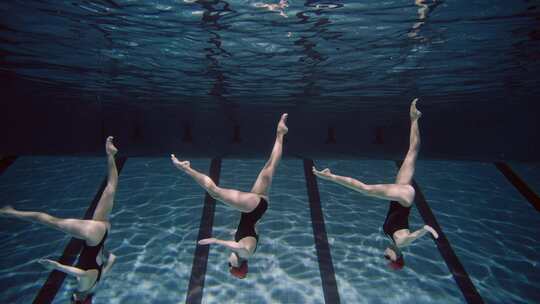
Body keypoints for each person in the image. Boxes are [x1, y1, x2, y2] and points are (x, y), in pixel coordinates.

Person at [312, 99, 439, 270]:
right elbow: (410, 238)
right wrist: (425, 230)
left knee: (412, 152)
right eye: (388, 257)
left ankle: (414, 119)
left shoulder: (392, 240)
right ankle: (330, 176)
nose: (385, 254)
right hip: (403, 198)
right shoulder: (400, 243)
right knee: (366, 189)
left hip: (402, 196)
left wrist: (424, 231)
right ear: (397, 256)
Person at [0, 136, 119, 302]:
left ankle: (110, 154)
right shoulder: (83, 288)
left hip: (103, 233)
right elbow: (82, 273)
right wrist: (57, 266)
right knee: (49, 221)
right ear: (78, 300)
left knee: (110, 189)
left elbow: (112, 259)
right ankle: (10, 213)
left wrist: (101, 250)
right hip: (92, 235)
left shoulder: (97, 283)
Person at [171, 114, 288, 279]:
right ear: (238, 264)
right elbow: (240, 247)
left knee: (270, 167)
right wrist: (215, 241)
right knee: (214, 191)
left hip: (258, 207)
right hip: (252, 208)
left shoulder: (243, 249)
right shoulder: (246, 254)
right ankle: (186, 168)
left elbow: (246, 233)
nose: (228, 261)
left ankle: (280, 133)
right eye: (229, 265)